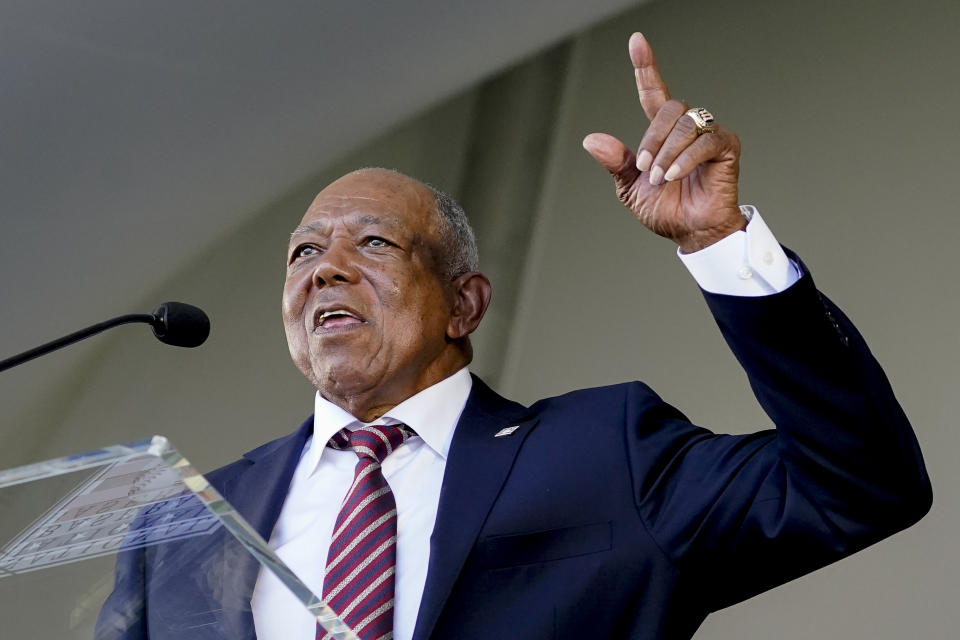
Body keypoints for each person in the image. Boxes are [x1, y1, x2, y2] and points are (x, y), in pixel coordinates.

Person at [97, 33, 931, 640]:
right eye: (304, 252)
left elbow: (859, 486)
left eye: (374, 244)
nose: (326, 269)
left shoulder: (607, 457)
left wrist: (718, 247)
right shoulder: (185, 523)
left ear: (465, 304)